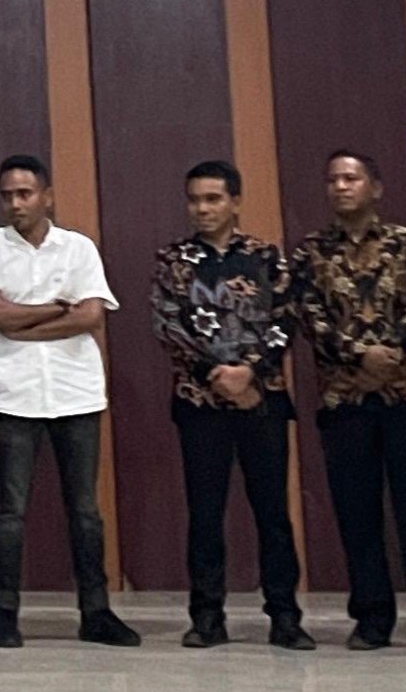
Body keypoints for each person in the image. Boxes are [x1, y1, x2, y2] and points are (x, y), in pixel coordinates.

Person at [292, 151, 406, 653]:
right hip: (344, 399)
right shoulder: (310, 252)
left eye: (351, 178)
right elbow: (310, 317)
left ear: (375, 187)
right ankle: (372, 618)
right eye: (333, 179)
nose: (341, 186)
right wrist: (359, 356)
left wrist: (388, 356)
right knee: (358, 514)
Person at [0, 154, 137, 648]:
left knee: (84, 509)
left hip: (76, 392)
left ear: (47, 196)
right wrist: (54, 307)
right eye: (7, 195)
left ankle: (96, 612)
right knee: (10, 510)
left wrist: (23, 323)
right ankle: (4, 614)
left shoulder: (78, 248)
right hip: (14, 395)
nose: (15, 204)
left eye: (24, 194)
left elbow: (90, 318)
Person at [148, 160, 311, 650]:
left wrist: (249, 373)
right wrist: (215, 375)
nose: (203, 209)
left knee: (273, 514)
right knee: (205, 514)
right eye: (195, 200)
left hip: (262, 401)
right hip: (200, 403)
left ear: (235, 202)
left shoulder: (266, 257)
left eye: (213, 199)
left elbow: (285, 320)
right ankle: (206, 617)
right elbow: (168, 325)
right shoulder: (173, 260)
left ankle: (284, 616)